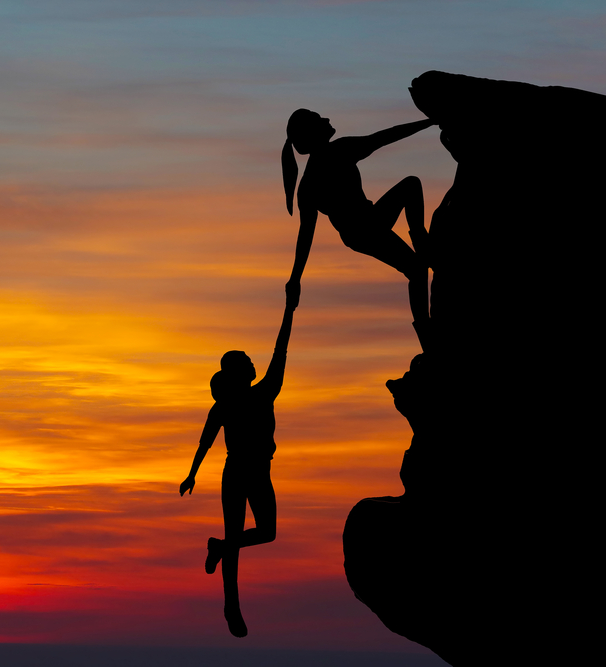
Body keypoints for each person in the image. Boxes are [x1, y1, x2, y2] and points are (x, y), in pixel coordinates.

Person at [179, 282, 297, 638]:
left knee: (266, 533)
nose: (251, 360)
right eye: (244, 360)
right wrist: (192, 474)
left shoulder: (261, 393)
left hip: (258, 471)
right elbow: (205, 442)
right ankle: (232, 605)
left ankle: (220, 548)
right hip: (238, 471)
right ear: (236, 372)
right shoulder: (231, 403)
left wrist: (290, 309)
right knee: (240, 536)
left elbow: (281, 350)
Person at [282, 109, 435, 350]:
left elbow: (386, 136)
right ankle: (427, 336)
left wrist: (295, 279)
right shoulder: (329, 162)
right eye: (319, 119)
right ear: (312, 133)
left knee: (416, 267)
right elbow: (306, 236)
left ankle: (428, 339)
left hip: (362, 227)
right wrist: (295, 278)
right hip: (365, 227)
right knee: (411, 189)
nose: (327, 119)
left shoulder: (321, 169)